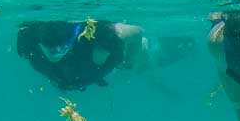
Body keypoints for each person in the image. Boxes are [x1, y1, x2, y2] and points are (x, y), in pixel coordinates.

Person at [16, 20, 149, 91]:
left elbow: (137, 31)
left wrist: (128, 61)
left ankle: (149, 55)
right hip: (77, 69)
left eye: (61, 48)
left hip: (106, 51)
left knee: (135, 53)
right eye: (51, 49)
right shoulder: (29, 34)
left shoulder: (99, 32)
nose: (55, 53)